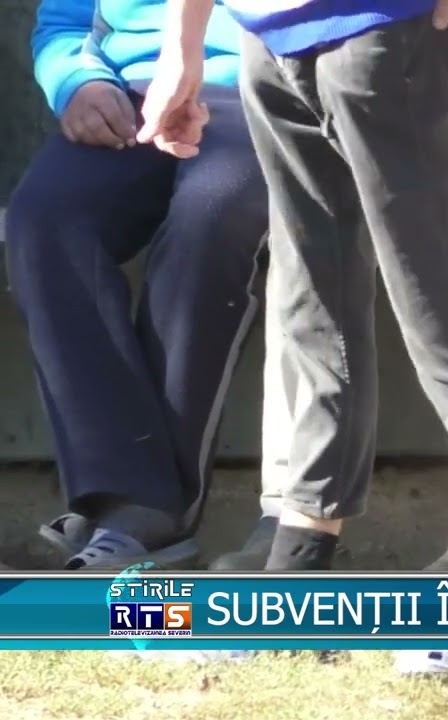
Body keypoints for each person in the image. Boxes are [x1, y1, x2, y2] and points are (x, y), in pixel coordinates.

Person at [139, 0, 448, 680]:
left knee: (442, 316)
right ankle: (294, 595)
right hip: (268, 39)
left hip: (380, 35)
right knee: (315, 312)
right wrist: (183, 45)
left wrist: (185, 45)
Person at [4, 0, 266, 570]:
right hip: (130, 96)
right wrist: (79, 82)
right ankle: (128, 494)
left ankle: (139, 510)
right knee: (43, 221)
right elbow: (64, 23)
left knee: (210, 217)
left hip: (262, 91)